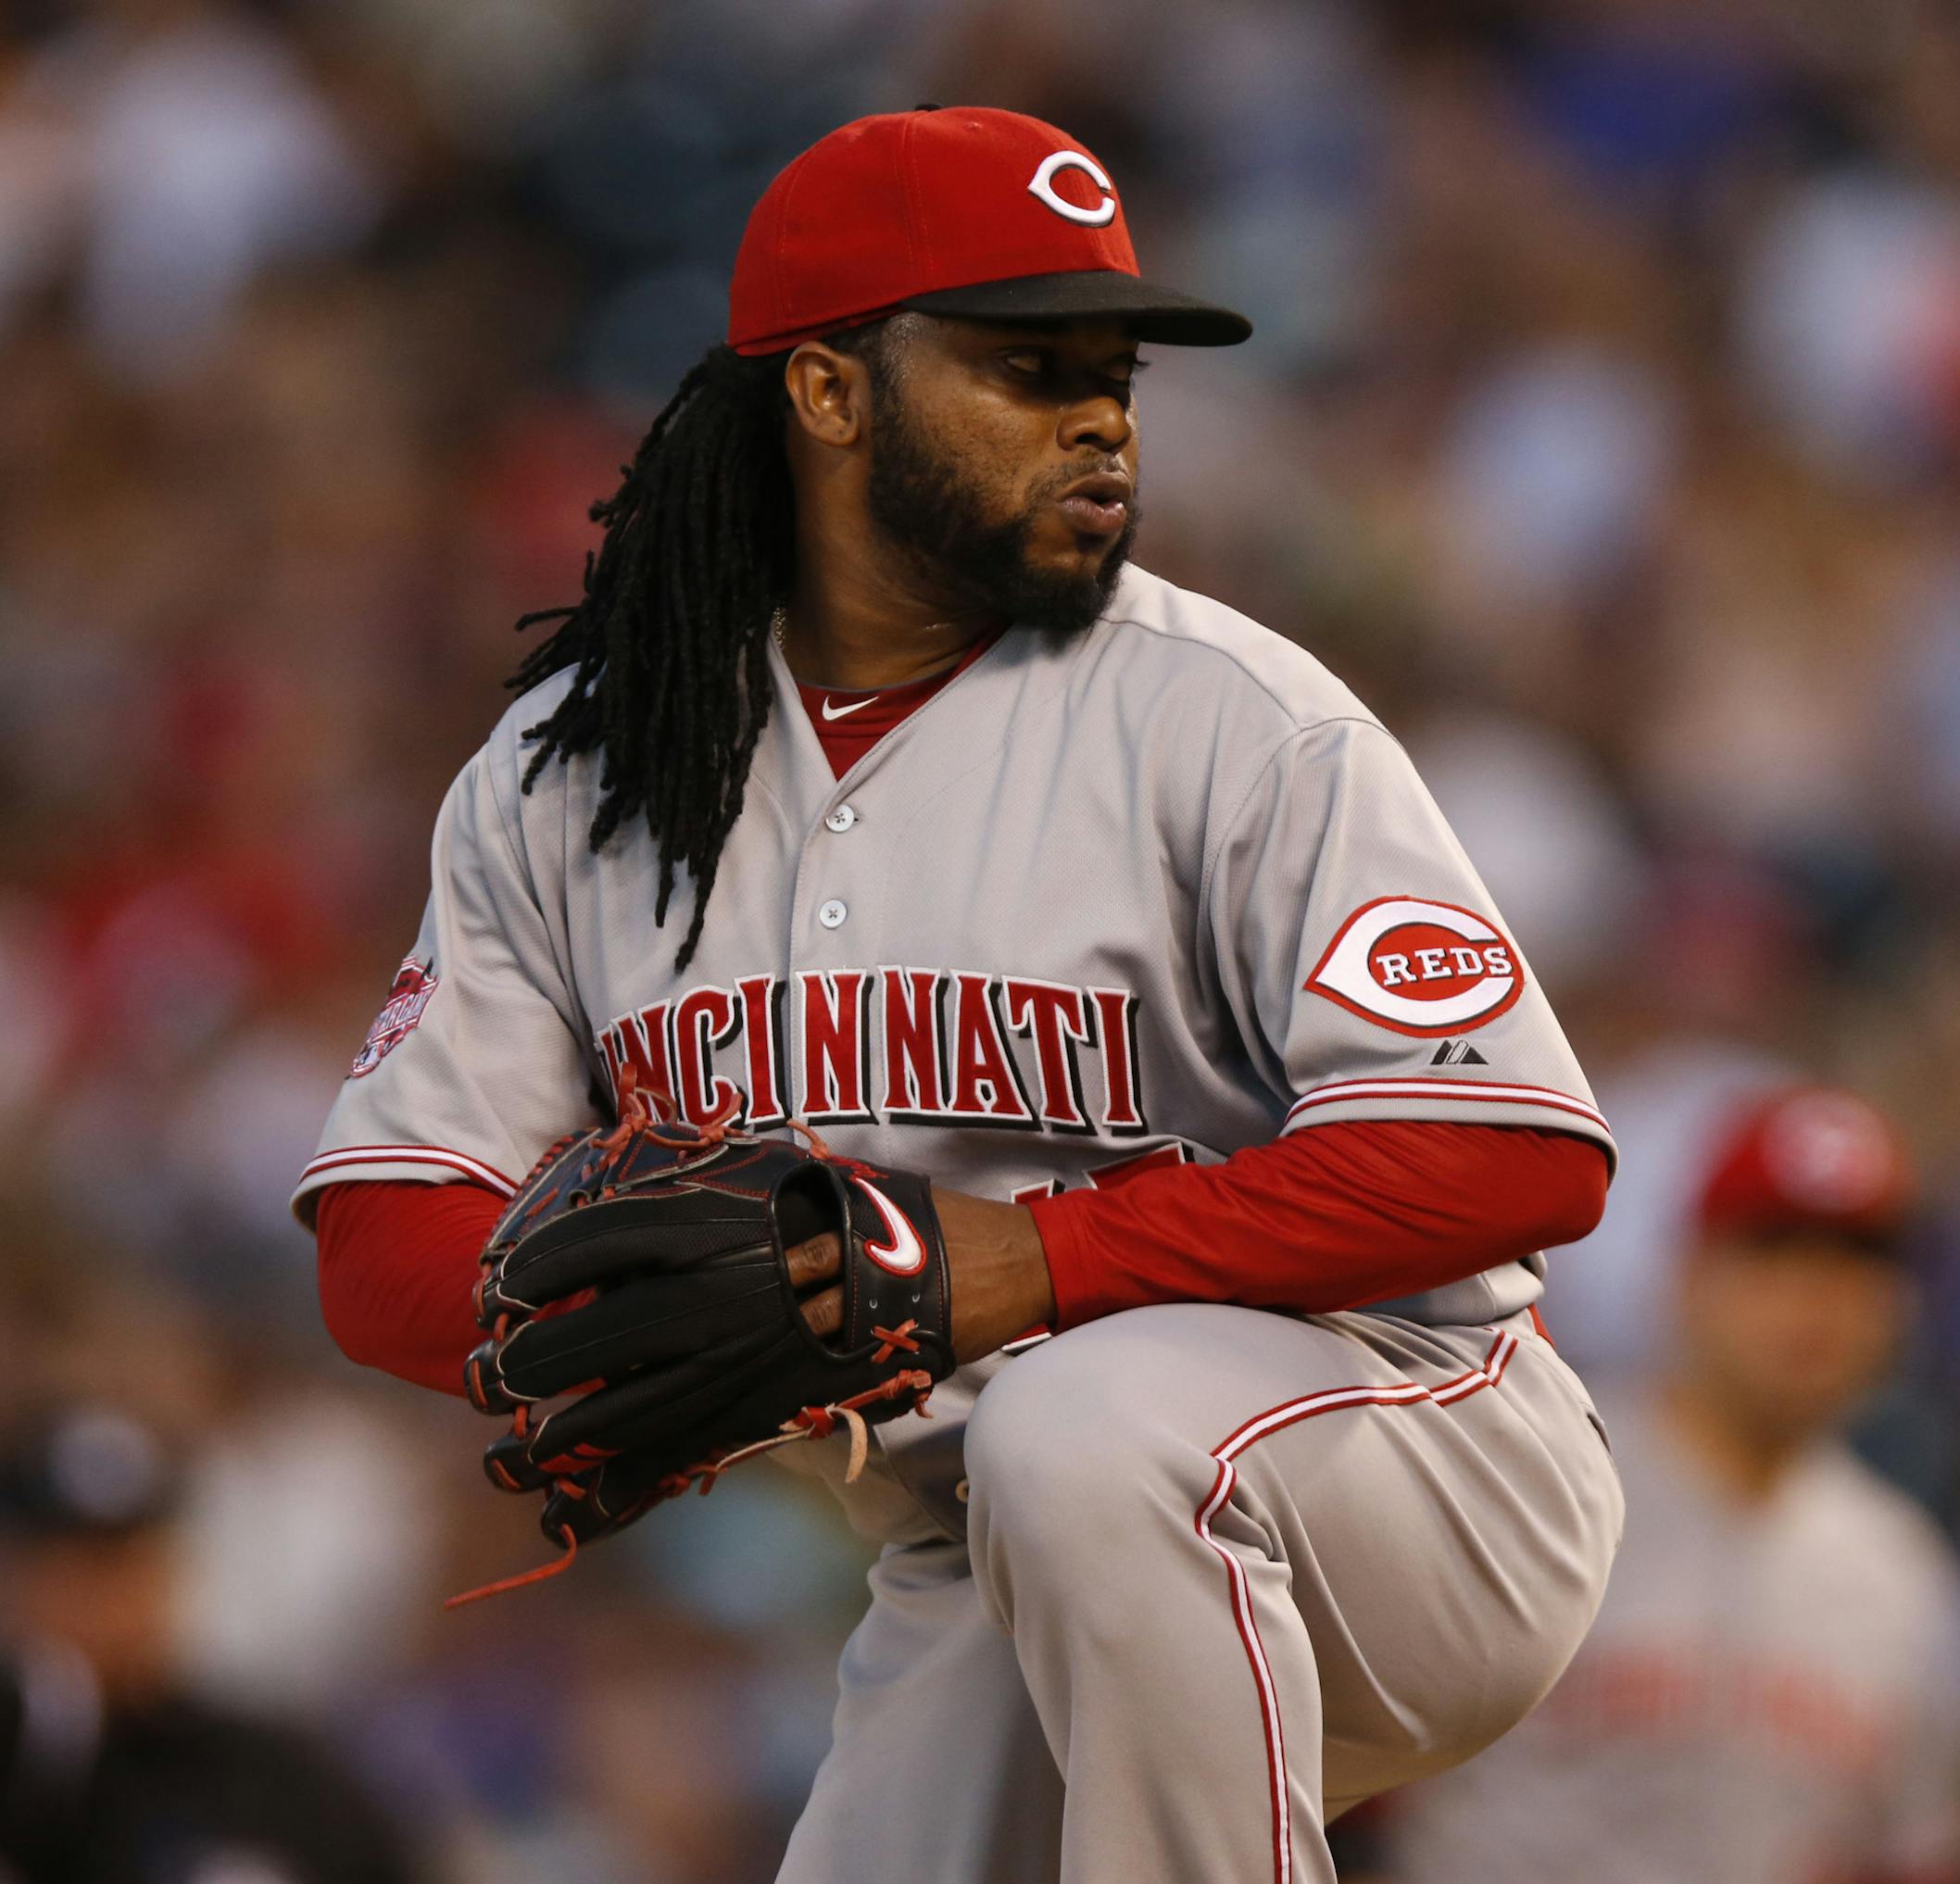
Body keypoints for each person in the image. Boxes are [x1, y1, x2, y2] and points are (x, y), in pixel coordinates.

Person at [299, 105, 1624, 1883]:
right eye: (1024, 365)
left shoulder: (1231, 718)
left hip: (1416, 1451)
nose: (1098, 414)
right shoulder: (583, 767)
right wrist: (586, 1316)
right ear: (830, 393)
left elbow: (1516, 1160)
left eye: (1115, 373)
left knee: (1082, 1426)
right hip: (995, 1532)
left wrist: (1029, 1258)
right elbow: (387, 1215)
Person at [1385, 1085, 1960, 1884]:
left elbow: (1918, 1856)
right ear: (1687, 1274)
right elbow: (1347, 1802)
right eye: (1774, 1250)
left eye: (1856, 1262)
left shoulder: (1903, 1575)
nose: (1817, 1300)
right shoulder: (1529, 1488)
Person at [0, 1404, 421, 1884]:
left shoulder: (281, 1780)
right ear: (18, 1580)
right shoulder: (25, 1777)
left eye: (129, 1566)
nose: (108, 1605)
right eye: (70, 1571)